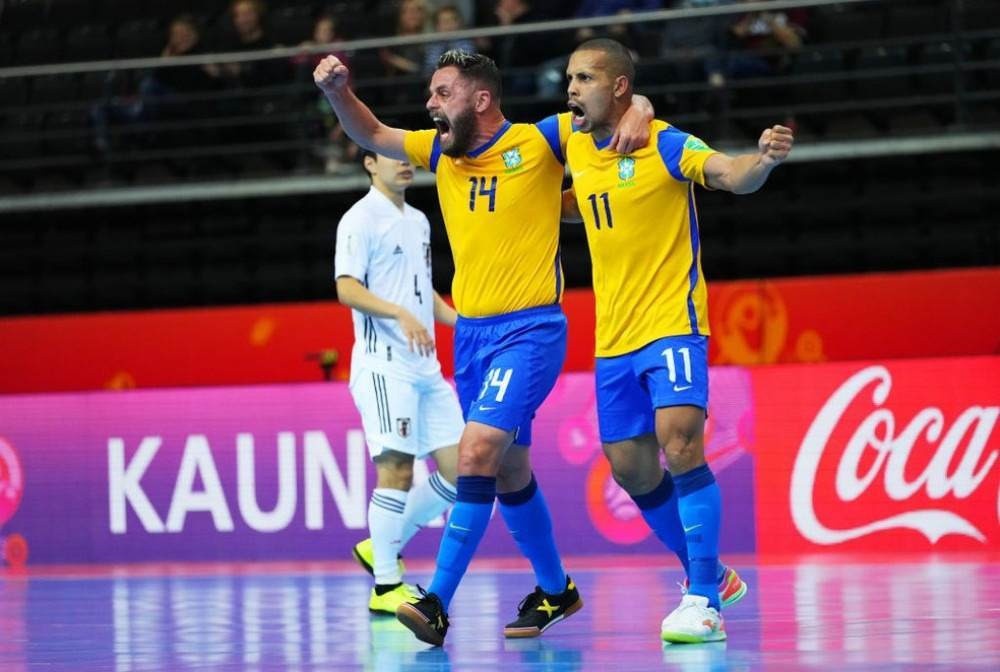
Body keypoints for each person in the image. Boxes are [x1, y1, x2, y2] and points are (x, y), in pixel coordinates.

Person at [314, 49, 655, 646]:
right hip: (472, 338)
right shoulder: (438, 150)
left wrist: (641, 109)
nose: (430, 105)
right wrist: (339, 91)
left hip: (530, 331)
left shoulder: (543, 139)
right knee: (507, 473)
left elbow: (608, 114)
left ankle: (437, 602)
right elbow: (368, 131)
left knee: (474, 454)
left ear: (480, 100)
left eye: (442, 93)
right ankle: (555, 589)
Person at [562, 38, 792, 643]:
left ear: (617, 86)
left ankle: (702, 599)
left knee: (681, 442)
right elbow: (570, 199)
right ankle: (712, 572)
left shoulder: (666, 142)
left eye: (584, 78)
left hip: (673, 323)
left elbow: (728, 173)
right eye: (568, 78)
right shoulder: (575, 145)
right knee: (630, 467)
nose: (571, 88)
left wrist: (761, 161)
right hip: (613, 336)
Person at [335, 149, 464, 616]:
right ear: (370, 164)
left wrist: (457, 321)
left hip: (426, 367)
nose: (403, 164)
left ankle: (380, 546)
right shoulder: (359, 219)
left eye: (406, 157)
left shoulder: (418, 220)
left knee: (461, 472)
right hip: (384, 365)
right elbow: (346, 287)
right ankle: (387, 584)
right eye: (390, 157)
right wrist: (400, 315)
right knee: (397, 470)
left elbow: (419, 287)